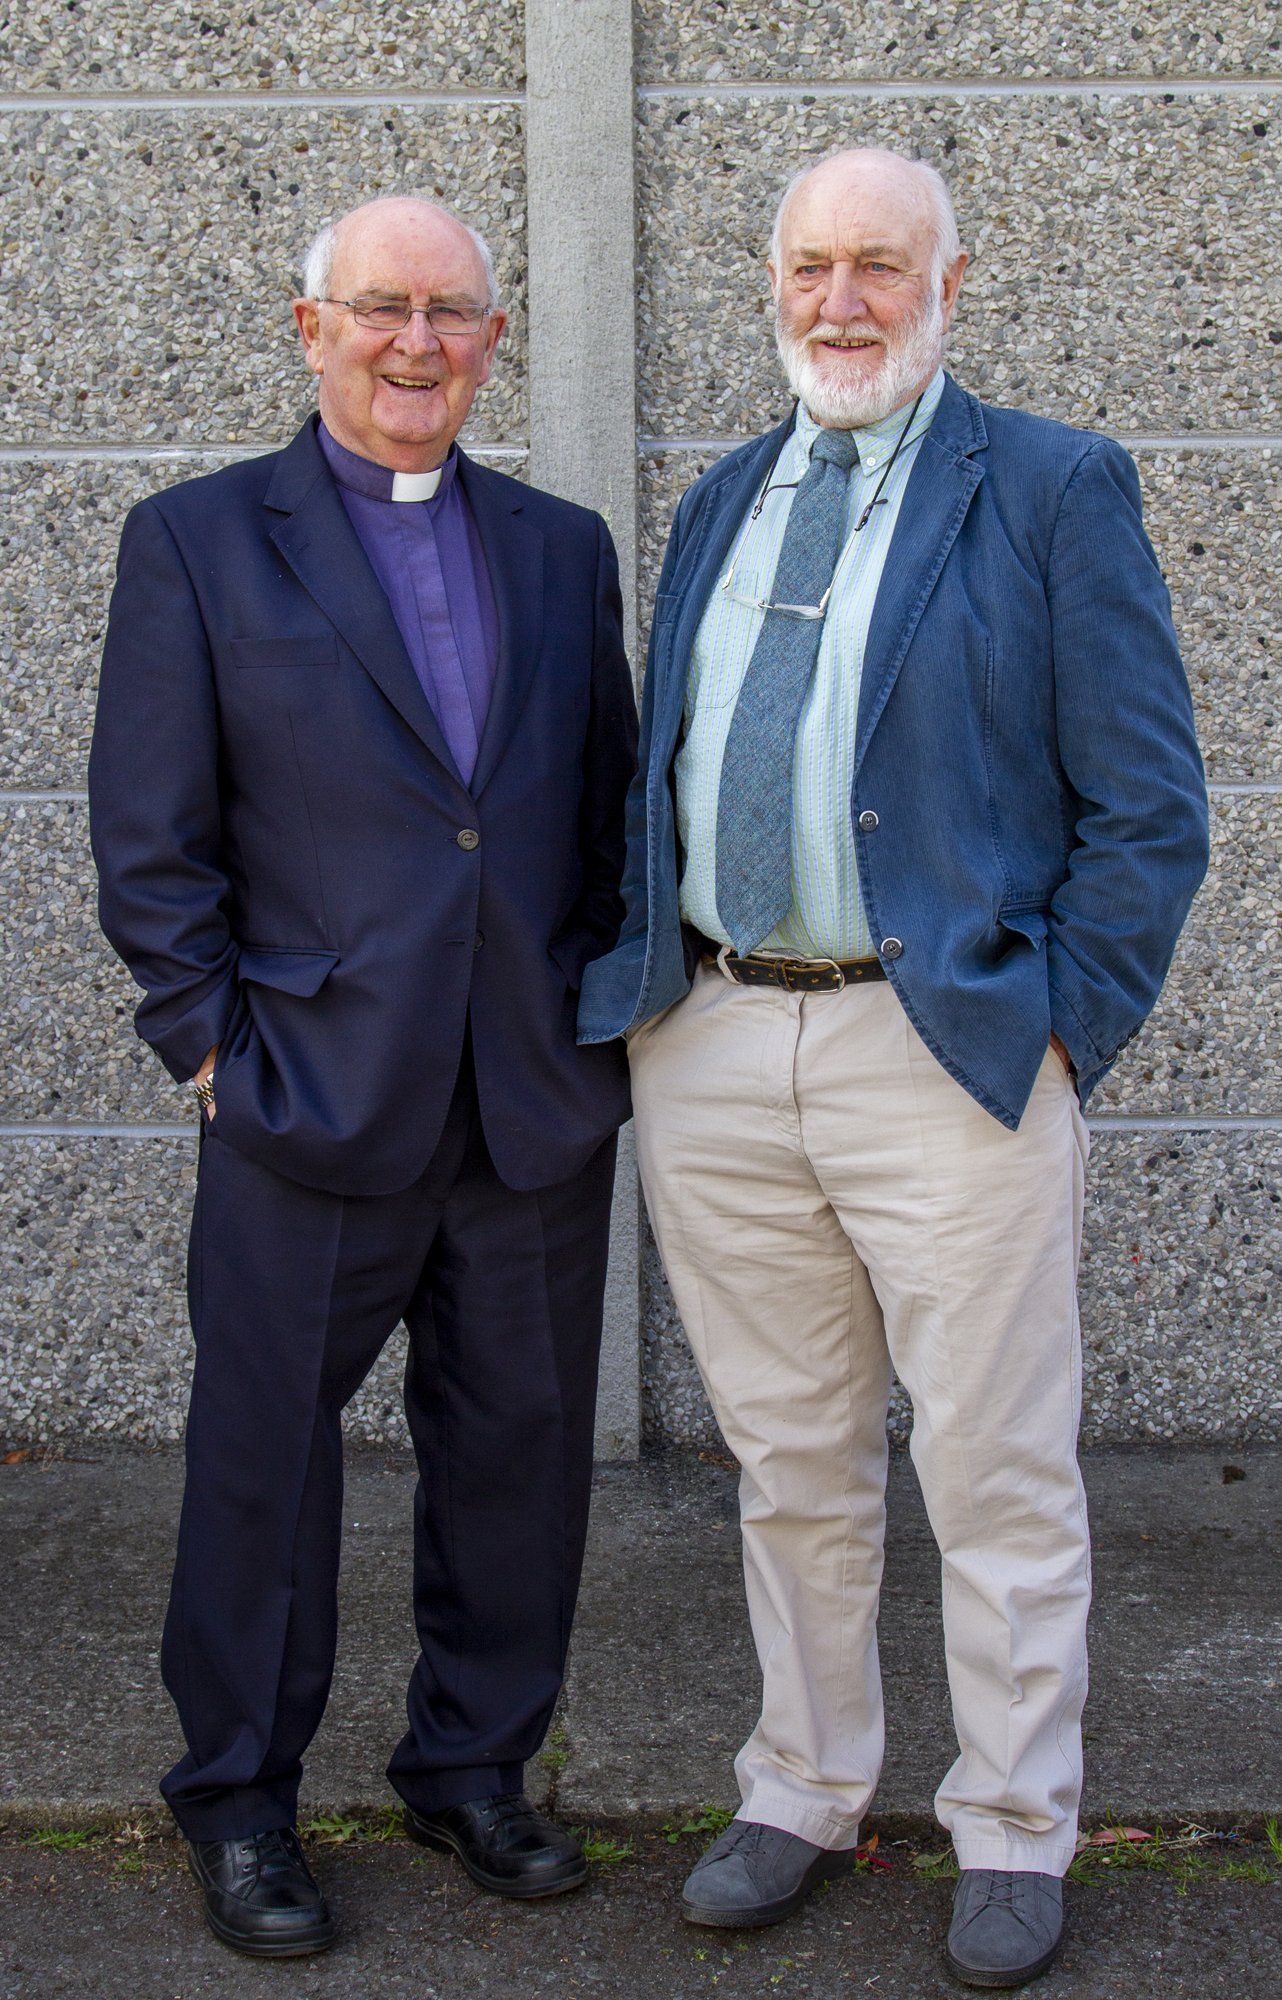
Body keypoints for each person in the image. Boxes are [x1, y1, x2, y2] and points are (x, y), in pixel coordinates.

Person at [579, 147, 1207, 1989]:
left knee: (996, 1466)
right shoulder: (717, 497)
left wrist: (1057, 1024)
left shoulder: (1048, 484)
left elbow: (1147, 810)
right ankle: (802, 1786)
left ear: (948, 285)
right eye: (807, 267)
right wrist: (655, 996)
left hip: (942, 1044)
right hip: (711, 1037)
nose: (837, 302)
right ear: (768, 283)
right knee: (786, 1457)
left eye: (876, 267)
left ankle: (1012, 1820)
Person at [89, 194, 637, 1958]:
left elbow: (605, 810)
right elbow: (150, 838)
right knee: (265, 1461)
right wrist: (205, 1050)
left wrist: (592, 1018)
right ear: (309, 325)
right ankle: (242, 1801)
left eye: (454, 313)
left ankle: (473, 1767)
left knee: (521, 1450)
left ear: (494, 336)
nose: (419, 344)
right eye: (383, 308)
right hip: (301, 1094)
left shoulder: (563, 549)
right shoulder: (194, 544)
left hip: (525, 1104)